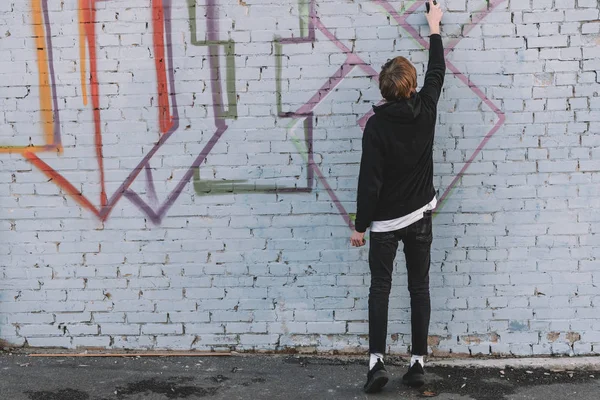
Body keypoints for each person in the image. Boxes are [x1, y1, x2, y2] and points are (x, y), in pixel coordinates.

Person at [350, 0, 446, 394]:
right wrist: (435, 27)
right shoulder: (426, 108)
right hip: (420, 218)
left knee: (380, 288)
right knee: (418, 287)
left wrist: (360, 227)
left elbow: (368, 182)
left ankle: (376, 365)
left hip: (386, 224)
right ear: (410, 86)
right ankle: (418, 363)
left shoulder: (376, 127)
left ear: (385, 90)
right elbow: (437, 72)